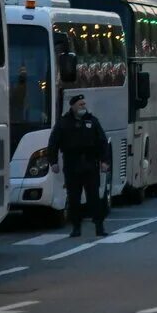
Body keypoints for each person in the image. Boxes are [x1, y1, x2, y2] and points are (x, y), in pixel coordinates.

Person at [47, 94, 110, 238]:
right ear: (73, 106)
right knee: (74, 198)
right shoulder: (63, 123)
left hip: (90, 164)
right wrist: (53, 161)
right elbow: (53, 143)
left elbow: (102, 142)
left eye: (84, 104)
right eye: (80, 104)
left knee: (94, 197)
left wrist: (104, 161)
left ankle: (99, 226)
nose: (83, 106)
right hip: (72, 165)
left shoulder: (92, 121)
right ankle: (76, 227)